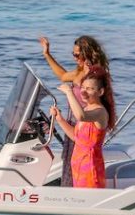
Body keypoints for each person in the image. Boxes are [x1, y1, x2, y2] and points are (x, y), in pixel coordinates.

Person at [38, 35, 112, 186]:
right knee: (69, 166)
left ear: (87, 53)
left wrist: (69, 92)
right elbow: (63, 76)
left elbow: (83, 114)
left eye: (77, 55)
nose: (74, 57)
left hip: (87, 123)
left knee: (77, 168)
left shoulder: (95, 75)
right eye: (73, 54)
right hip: (75, 125)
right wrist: (47, 54)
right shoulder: (79, 72)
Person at [49, 68, 115, 189]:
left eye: (89, 89)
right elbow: (77, 137)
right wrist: (60, 119)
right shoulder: (87, 108)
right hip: (78, 166)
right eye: (83, 88)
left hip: (90, 169)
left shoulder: (100, 112)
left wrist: (69, 92)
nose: (84, 92)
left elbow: (81, 116)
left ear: (100, 92)